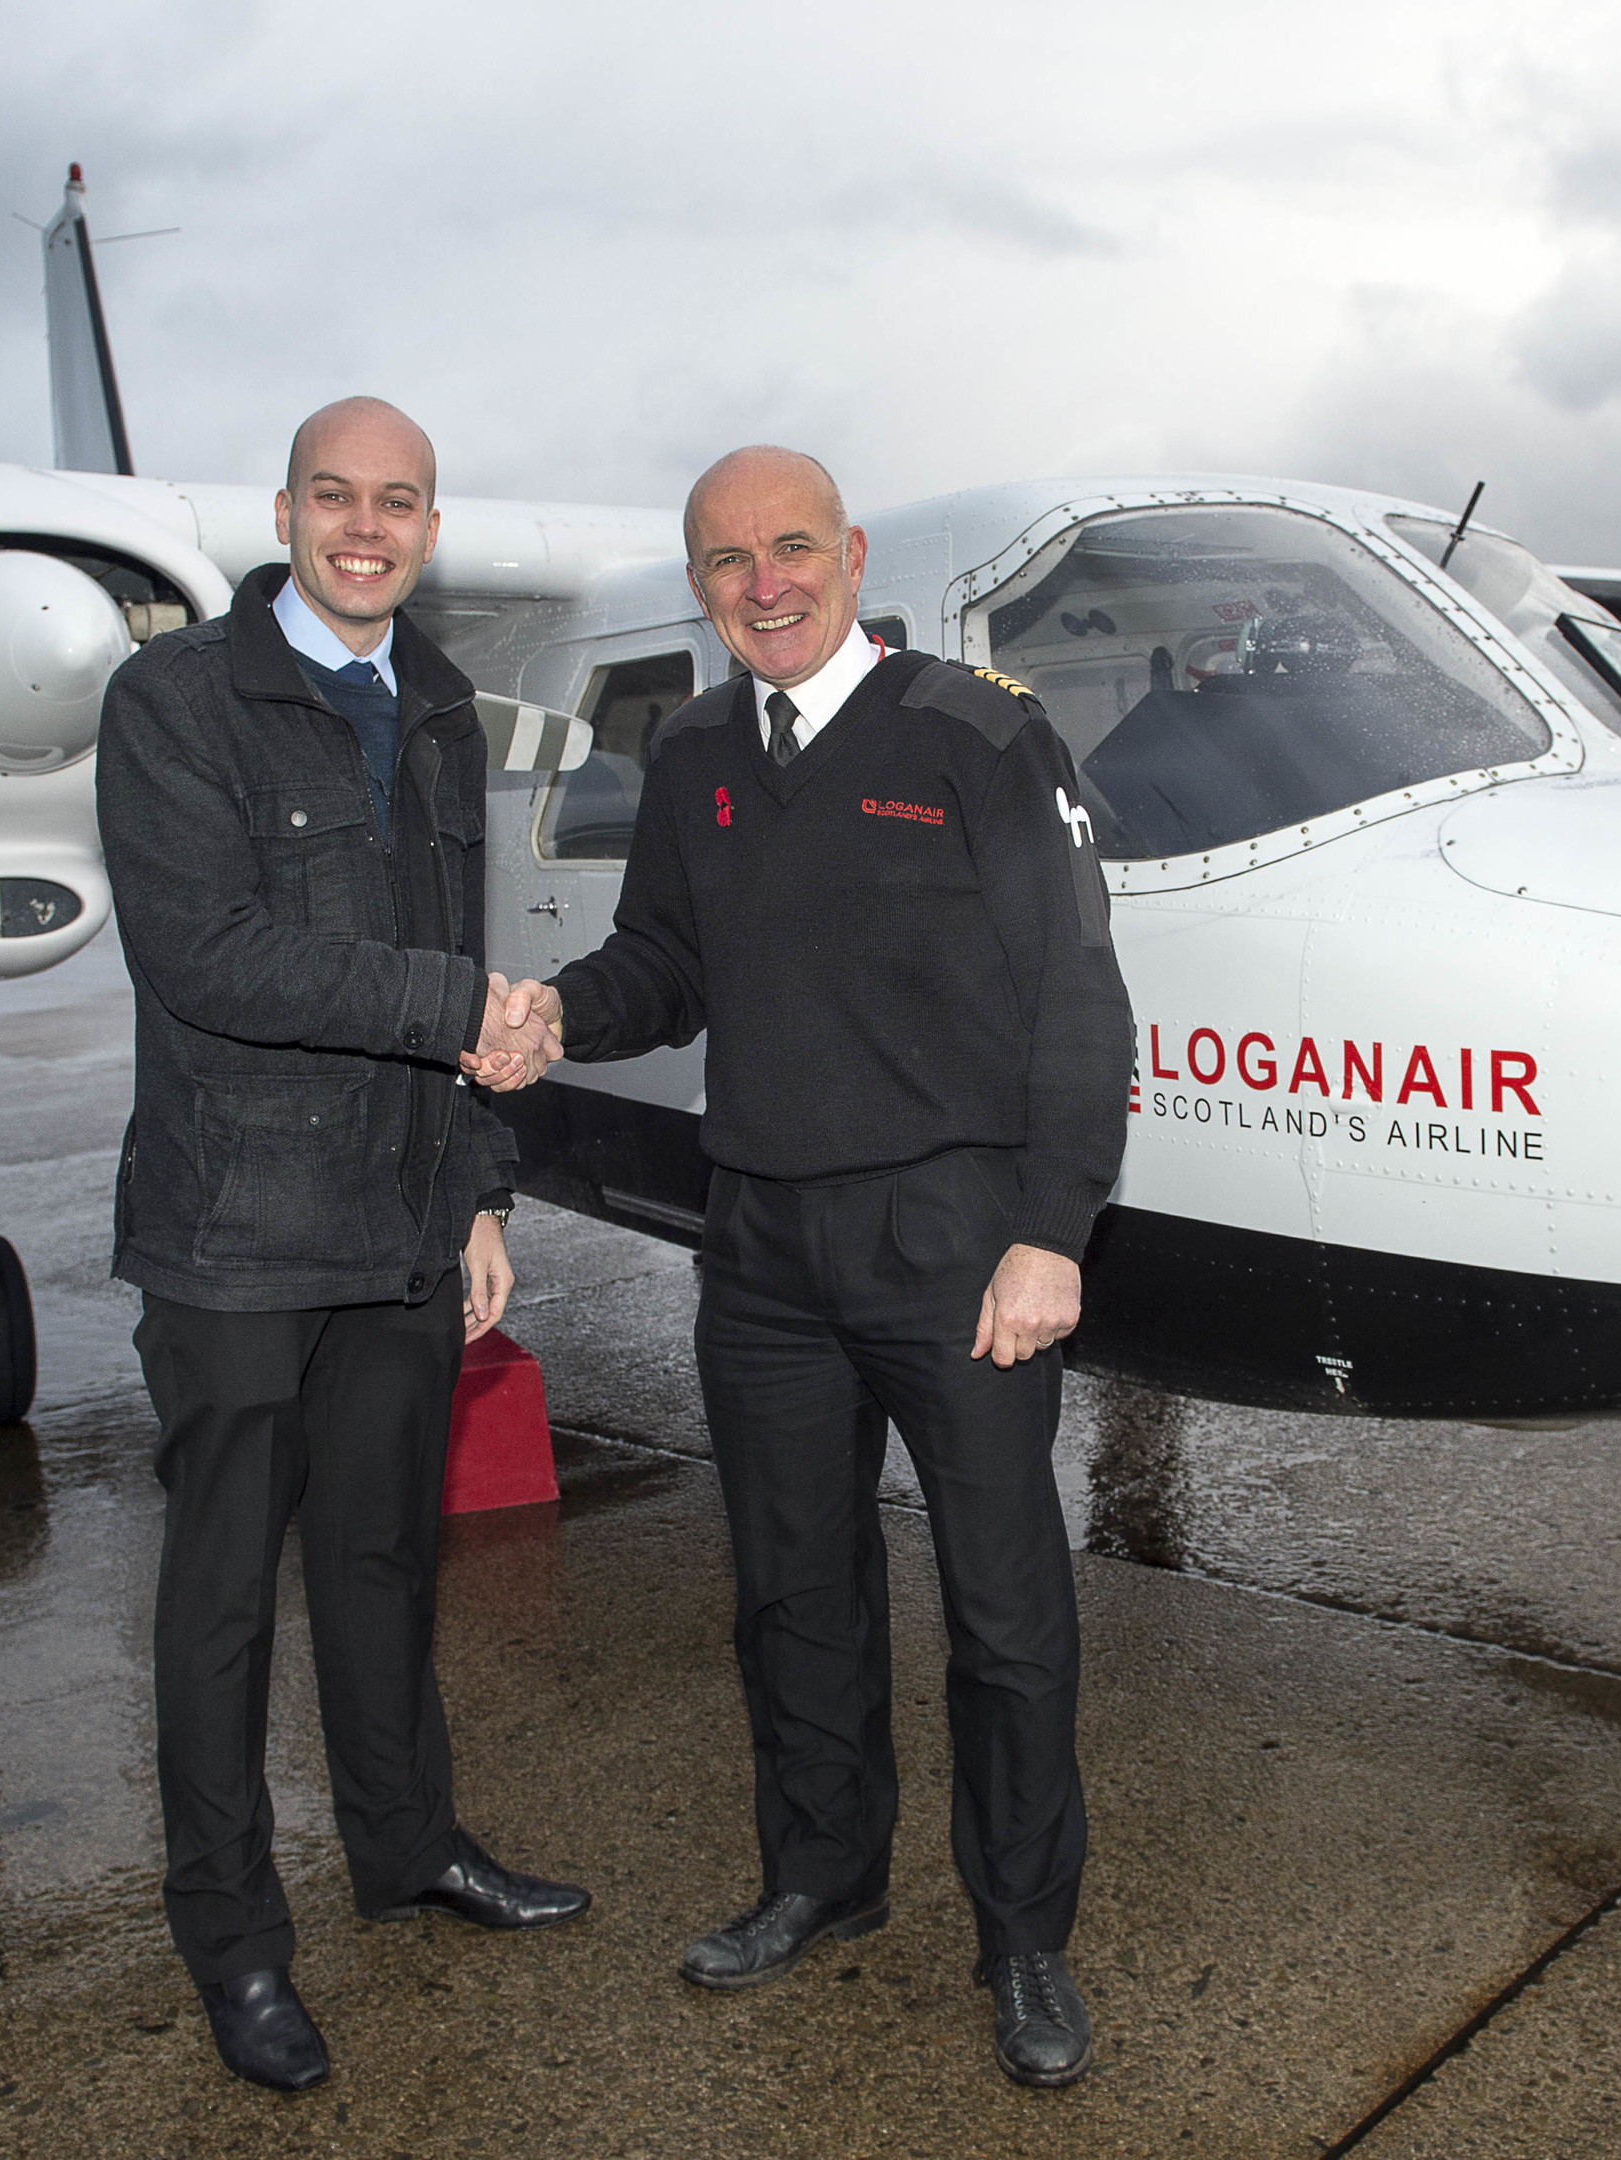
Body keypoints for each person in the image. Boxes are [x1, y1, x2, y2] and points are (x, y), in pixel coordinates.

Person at [497, 446, 1132, 2087]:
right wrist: (565, 1009)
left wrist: (1049, 1232)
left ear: (850, 557)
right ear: (698, 583)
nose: (762, 585)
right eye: (726, 562)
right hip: (763, 1242)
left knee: (1002, 1612)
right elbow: (667, 963)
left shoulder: (979, 733)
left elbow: (1075, 993)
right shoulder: (697, 744)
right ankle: (821, 1881)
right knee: (793, 1594)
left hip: (950, 1238)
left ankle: (1022, 1941)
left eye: (790, 550)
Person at [96, 395, 584, 2095]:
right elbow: (207, 955)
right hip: (233, 1231)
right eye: (334, 498)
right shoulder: (174, 702)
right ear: (287, 511)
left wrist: (480, 1191)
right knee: (223, 1605)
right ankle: (232, 1942)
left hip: (395, 1226)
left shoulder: (439, 709)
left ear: (428, 530)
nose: (364, 529)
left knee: (382, 1565)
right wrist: (463, 1015)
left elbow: (462, 932)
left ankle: (409, 1849)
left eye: (398, 504)